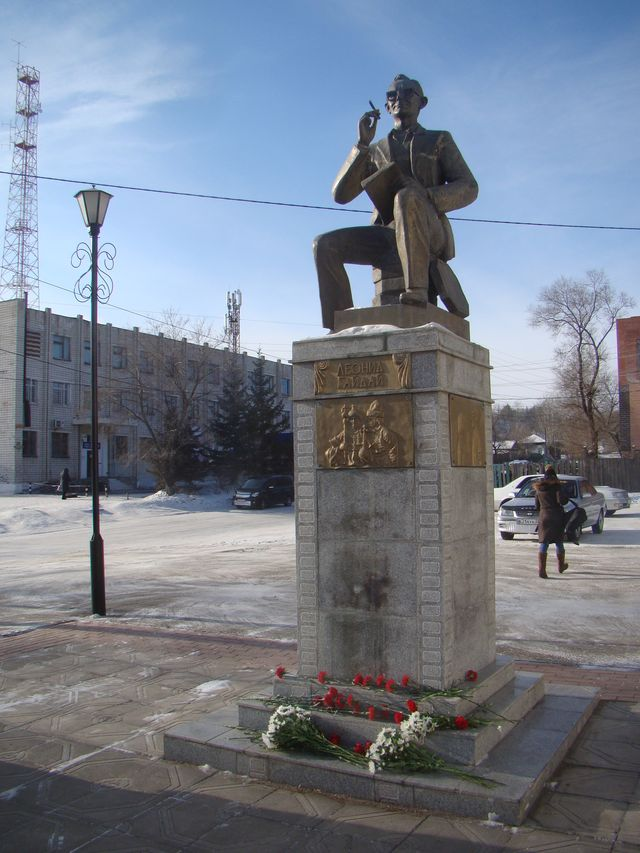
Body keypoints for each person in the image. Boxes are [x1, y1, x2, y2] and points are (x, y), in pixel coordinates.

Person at [313, 74, 478, 331]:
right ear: (387, 106)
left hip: (429, 231)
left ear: (422, 102)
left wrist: (428, 197)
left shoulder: (438, 140)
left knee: (407, 196)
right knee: (324, 245)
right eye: (392, 96)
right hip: (386, 237)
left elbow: (469, 187)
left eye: (407, 93)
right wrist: (362, 145)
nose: (399, 98)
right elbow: (341, 195)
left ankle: (417, 289)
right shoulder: (376, 149)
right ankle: (342, 325)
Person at [533, 466, 569, 578]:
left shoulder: (539, 489)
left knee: (544, 542)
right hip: (557, 516)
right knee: (559, 541)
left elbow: (536, 506)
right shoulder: (557, 488)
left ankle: (542, 570)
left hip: (544, 517)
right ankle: (561, 565)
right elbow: (563, 501)